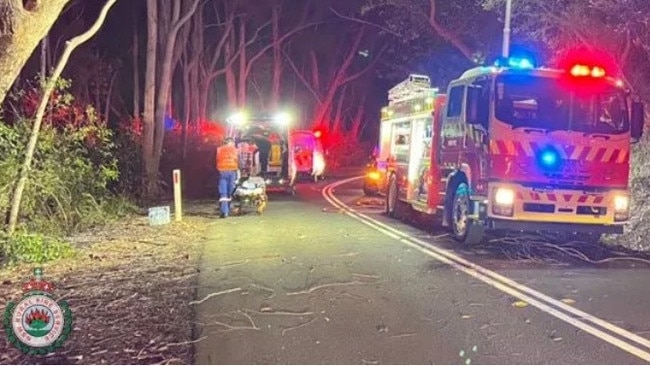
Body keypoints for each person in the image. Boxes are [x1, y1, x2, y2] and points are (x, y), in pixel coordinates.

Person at [215, 137, 239, 218]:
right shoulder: (235, 150)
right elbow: (238, 160)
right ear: (231, 142)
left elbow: (216, 160)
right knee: (230, 191)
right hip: (232, 171)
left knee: (223, 193)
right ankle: (226, 210)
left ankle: (224, 211)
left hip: (222, 172)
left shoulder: (219, 149)